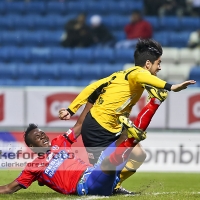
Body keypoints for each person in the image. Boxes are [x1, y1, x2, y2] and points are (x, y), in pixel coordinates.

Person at [59, 39, 196, 194]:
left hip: (110, 126)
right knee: (101, 177)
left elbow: (92, 87)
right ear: (148, 64)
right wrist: (171, 86)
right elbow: (145, 77)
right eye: (158, 63)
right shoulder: (138, 73)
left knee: (138, 154)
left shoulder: (122, 74)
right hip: (98, 128)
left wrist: (71, 109)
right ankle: (78, 184)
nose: (160, 67)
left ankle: (115, 184)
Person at [0, 100, 149, 196]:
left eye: (43, 134)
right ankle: (133, 137)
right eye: (38, 137)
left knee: (125, 136)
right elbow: (8, 188)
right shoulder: (33, 166)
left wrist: (91, 99)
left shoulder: (59, 142)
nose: (43, 137)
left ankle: (155, 101)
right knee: (109, 162)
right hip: (85, 185)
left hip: (93, 172)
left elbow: (79, 126)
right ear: (32, 147)